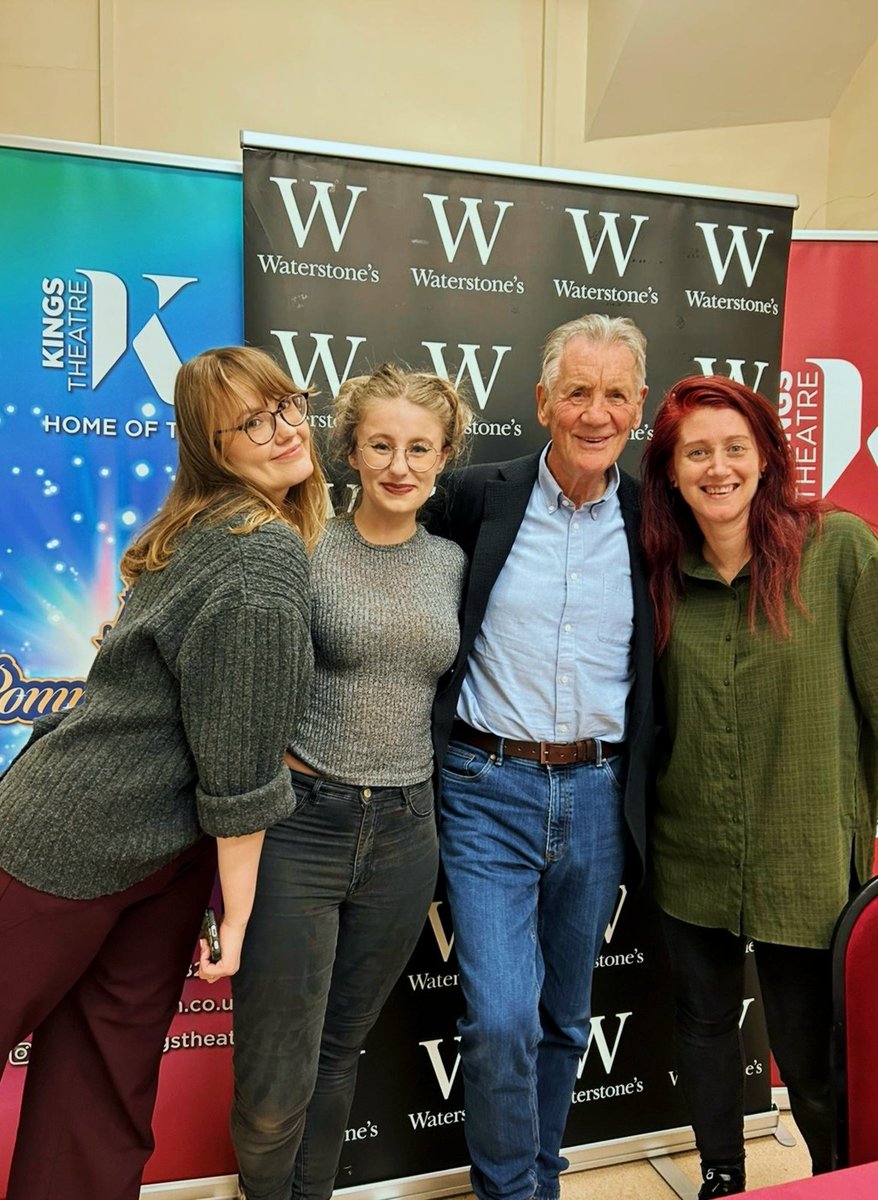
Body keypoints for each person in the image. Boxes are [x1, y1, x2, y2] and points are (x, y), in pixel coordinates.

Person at [0, 345, 325, 1200]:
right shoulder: (259, 552)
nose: (284, 429)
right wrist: (238, 918)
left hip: (156, 857)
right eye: (250, 422)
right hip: (61, 845)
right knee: (102, 1087)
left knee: (101, 1092)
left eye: (286, 404)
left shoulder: (208, 527)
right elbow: (240, 769)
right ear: (211, 447)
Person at [230, 363, 472, 1200]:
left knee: (338, 1051)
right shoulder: (304, 546)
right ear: (351, 451)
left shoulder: (453, 564)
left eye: (419, 448)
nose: (400, 466)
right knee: (275, 1070)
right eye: (381, 445)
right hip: (301, 825)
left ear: (444, 457)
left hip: (406, 831)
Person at [429, 314, 655, 1200]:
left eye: (615, 394)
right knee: (500, 1021)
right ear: (541, 402)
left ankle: (541, 1179)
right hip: (485, 787)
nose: (596, 413)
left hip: (598, 794)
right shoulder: (474, 499)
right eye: (577, 392)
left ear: (639, 405)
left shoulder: (655, 518)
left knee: (565, 1017)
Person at [640, 375, 878, 1198]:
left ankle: (839, 1181)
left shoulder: (839, 550)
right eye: (696, 453)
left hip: (804, 852)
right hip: (690, 846)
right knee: (704, 1027)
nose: (718, 468)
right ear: (671, 473)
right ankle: (722, 1178)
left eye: (734, 448)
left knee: (812, 1055)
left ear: (767, 456)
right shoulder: (658, 573)